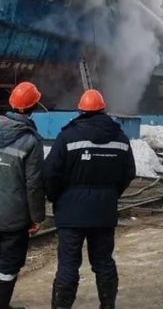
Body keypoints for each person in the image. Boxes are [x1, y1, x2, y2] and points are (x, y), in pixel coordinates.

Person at [44, 89, 136, 309]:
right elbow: (129, 173)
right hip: (104, 213)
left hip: (70, 214)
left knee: (68, 264)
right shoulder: (120, 138)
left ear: (81, 110)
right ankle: (107, 305)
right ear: (103, 109)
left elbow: (50, 173)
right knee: (104, 262)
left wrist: (57, 197)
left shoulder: (67, 137)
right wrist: (111, 194)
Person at [0, 81, 46, 309]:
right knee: (8, 263)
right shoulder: (31, 141)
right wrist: (37, 217)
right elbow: (34, 184)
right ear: (34, 106)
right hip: (14, 216)